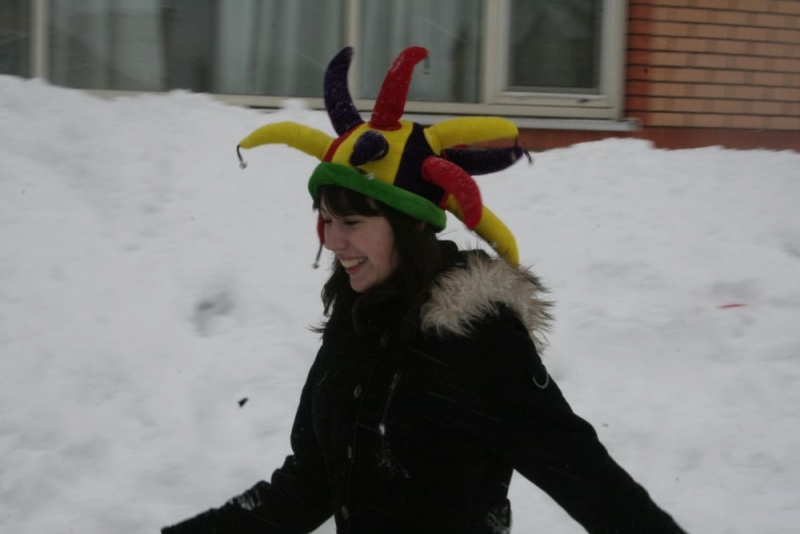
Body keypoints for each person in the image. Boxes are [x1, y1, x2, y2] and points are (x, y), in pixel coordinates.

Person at [162, 46, 688, 534]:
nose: (332, 240)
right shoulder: (356, 315)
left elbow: (590, 482)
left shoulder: (477, 340)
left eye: (351, 222)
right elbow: (313, 478)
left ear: (409, 224)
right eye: (325, 219)